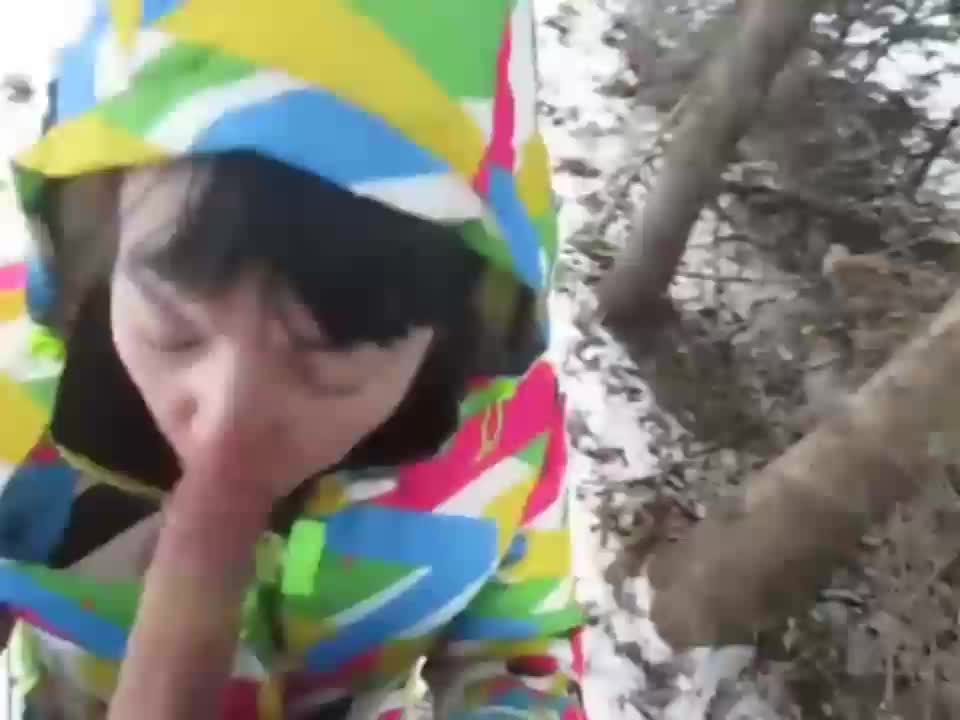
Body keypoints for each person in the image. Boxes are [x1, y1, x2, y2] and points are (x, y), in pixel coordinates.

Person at [0, 2, 586, 719]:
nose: (224, 424)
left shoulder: (504, 443)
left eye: (329, 360)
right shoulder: (9, 379)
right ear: (100, 235)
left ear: (452, 325)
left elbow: (522, 652)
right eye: (173, 329)